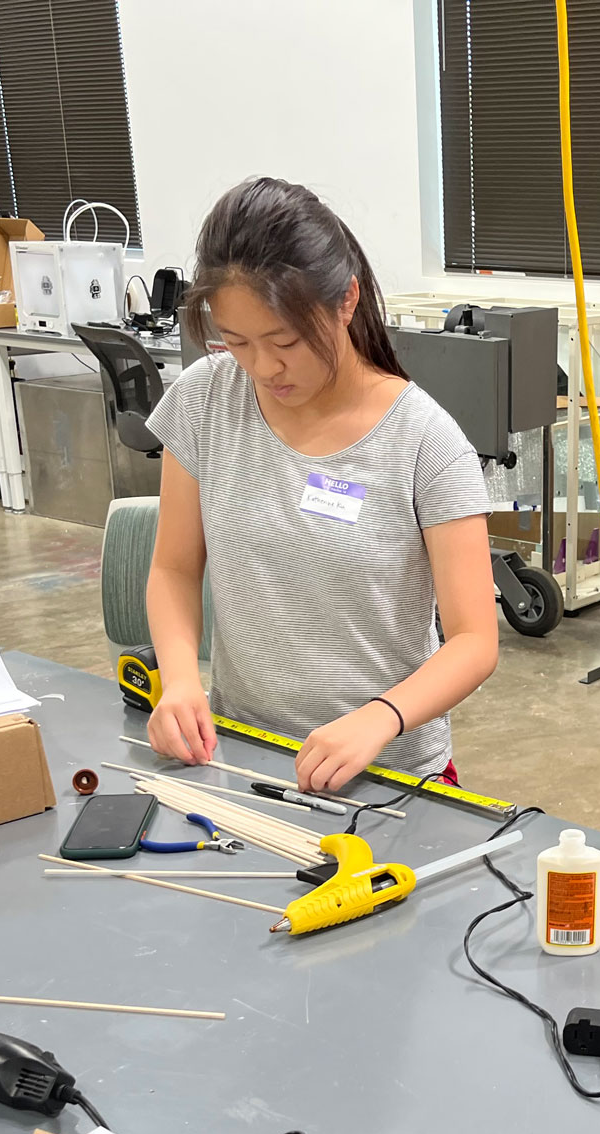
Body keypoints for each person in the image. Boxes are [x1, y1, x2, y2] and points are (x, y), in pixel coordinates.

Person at [144, 177, 498, 789]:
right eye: (237, 341)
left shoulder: (424, 442)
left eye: (286, 340)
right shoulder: (205, 399)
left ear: (347, 300)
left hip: (388, 775)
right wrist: (179, 680)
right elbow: (175, 568)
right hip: (242, 749)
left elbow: (474, 641)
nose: (263, 366)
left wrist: (381, 719)